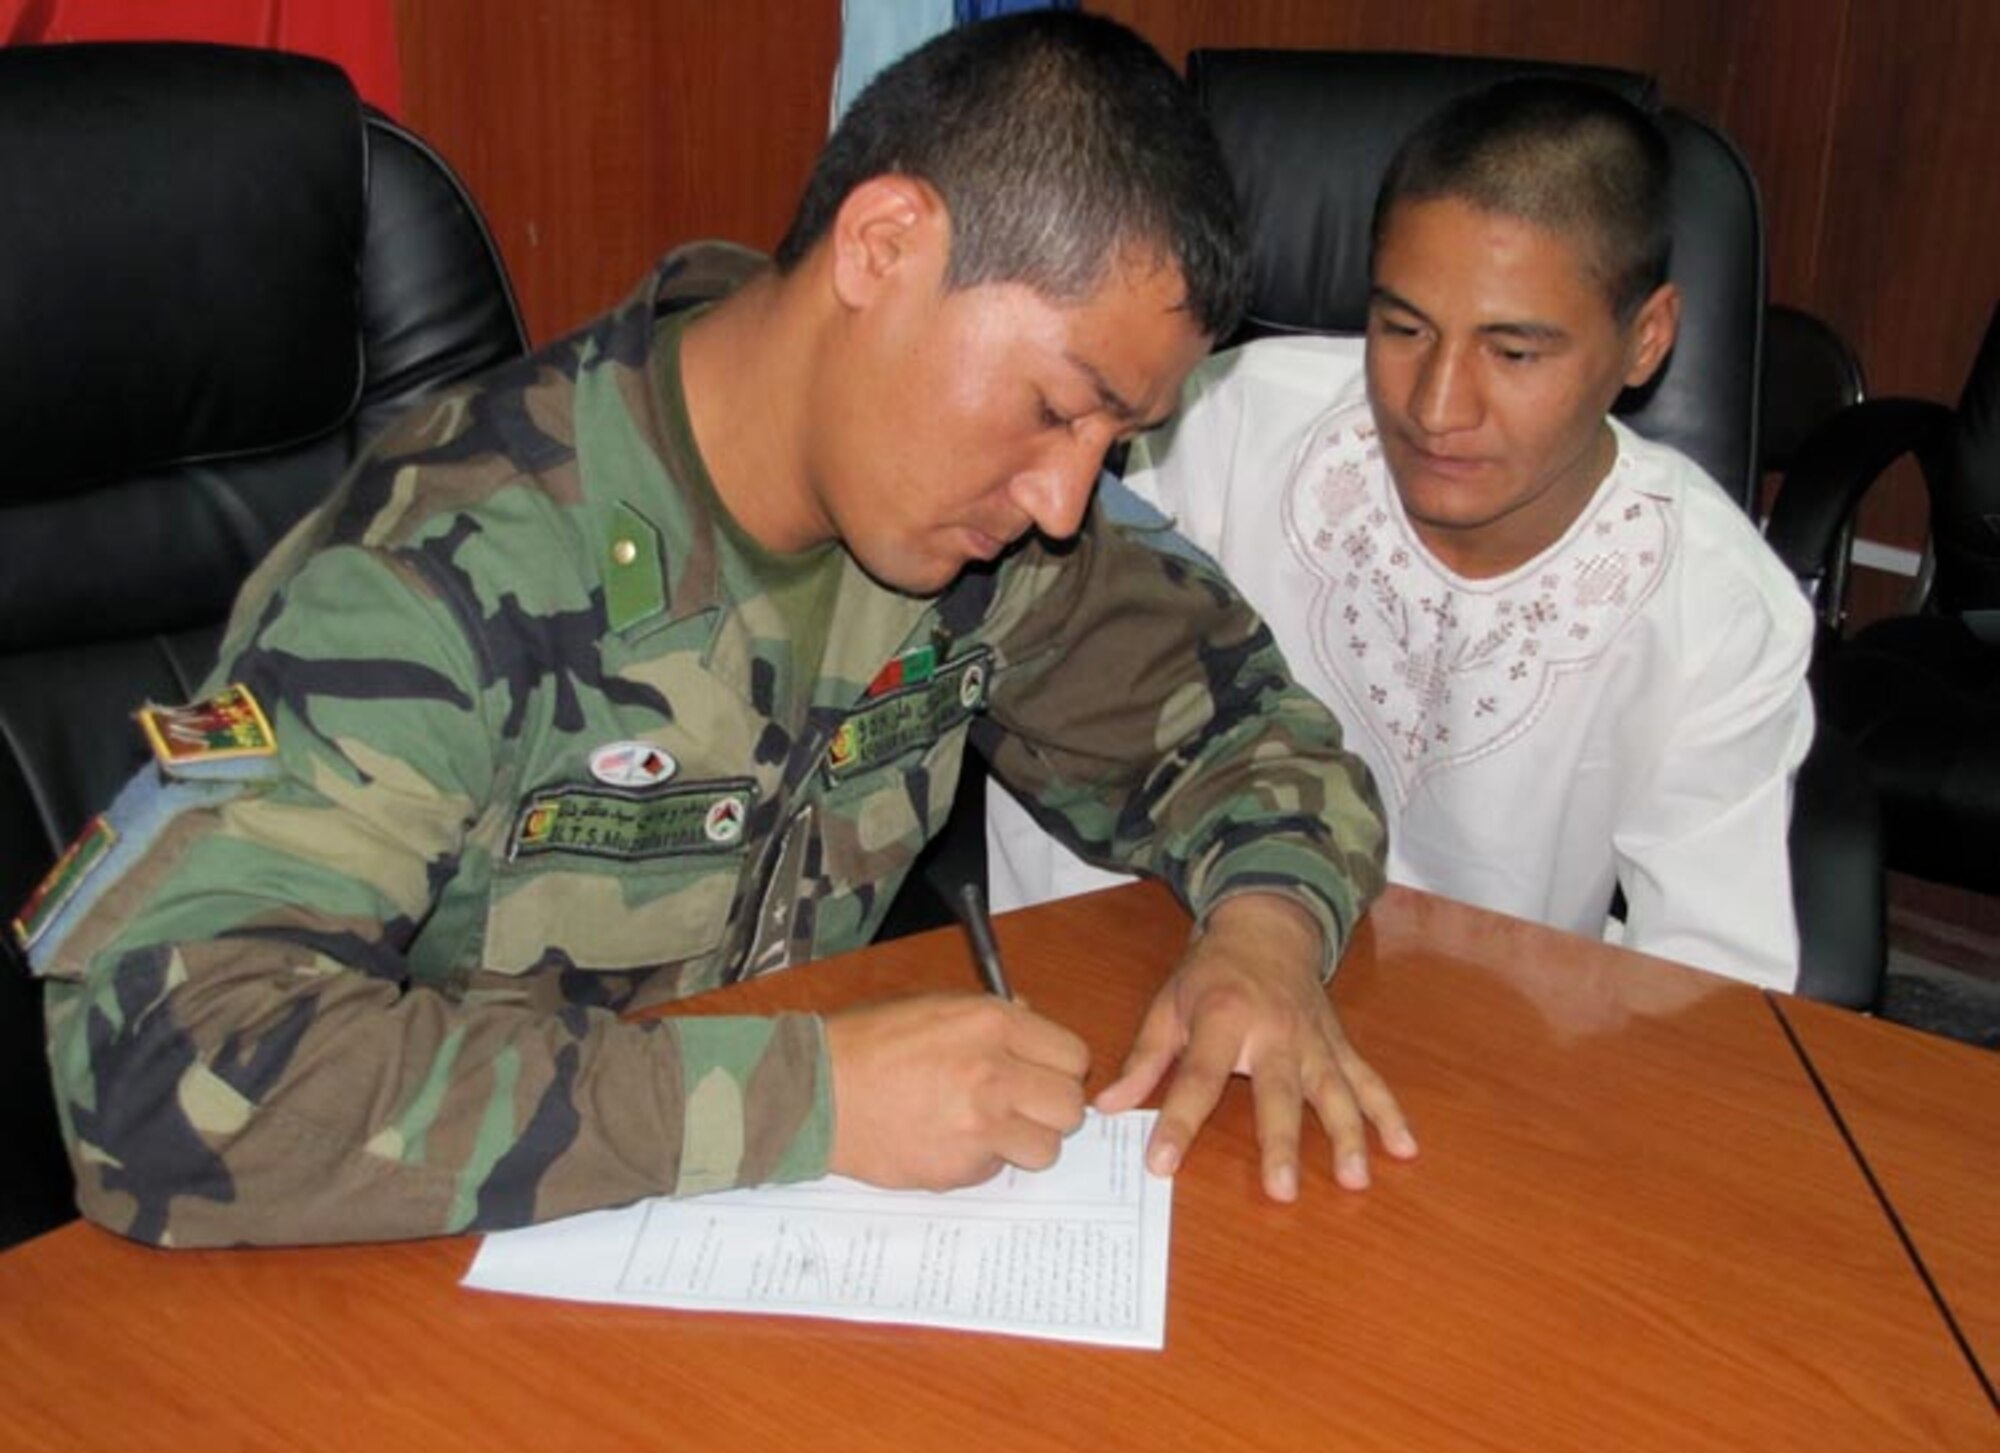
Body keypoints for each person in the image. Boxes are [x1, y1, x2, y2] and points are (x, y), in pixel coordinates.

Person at [19, 12, 1414, 1249]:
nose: (1067, 496)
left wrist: (1268, 930)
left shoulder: (979, 533)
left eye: (1118, 436)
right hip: (407, 1301)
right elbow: (160, 1080)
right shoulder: (447, 568)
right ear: (884, 245)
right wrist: (808, 1097)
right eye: (1058, 405)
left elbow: (1255, 737)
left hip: (773, 1279)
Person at [989, 77, 1816, 991]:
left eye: (1513, 352)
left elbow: (1712, 983)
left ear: (1647, 338)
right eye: (1403, 326)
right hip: (1194, 975)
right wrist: (1079, 1001)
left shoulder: (1719, 607)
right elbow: (1064, 755)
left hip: (1503, 1049)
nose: (1436, 405)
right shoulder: (1222, 427)